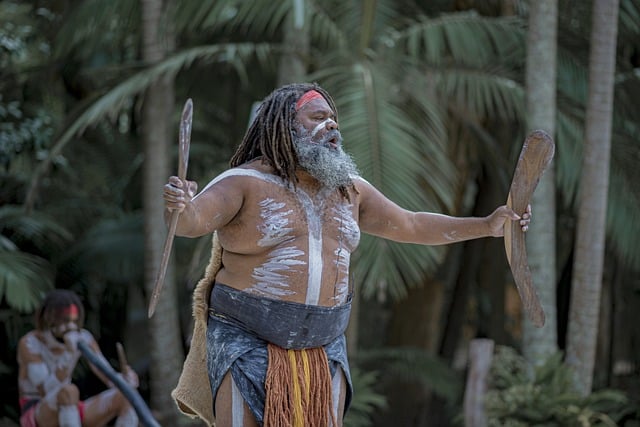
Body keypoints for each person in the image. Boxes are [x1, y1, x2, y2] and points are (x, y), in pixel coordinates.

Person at [166, 83, 531, 427]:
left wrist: (487, 225)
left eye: (333, 118)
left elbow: (412, 224)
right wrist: (181, 207)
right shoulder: (243, 182)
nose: (331, 125)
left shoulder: (350, 192)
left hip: (324, 347)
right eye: (317, 117)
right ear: (284, 126)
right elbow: (191, 222)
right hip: (248, 340)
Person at [17, 289, 139, 427]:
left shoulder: (83, 338)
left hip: (70, 409)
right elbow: (45, 390)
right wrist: (68, 355)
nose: (71, 326)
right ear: (49, 320)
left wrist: (125, 380)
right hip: (38, 413)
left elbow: (107, 375)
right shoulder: (30, 343)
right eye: (65, 321)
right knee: (69, 391)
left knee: (127, 395)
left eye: (74, 321)